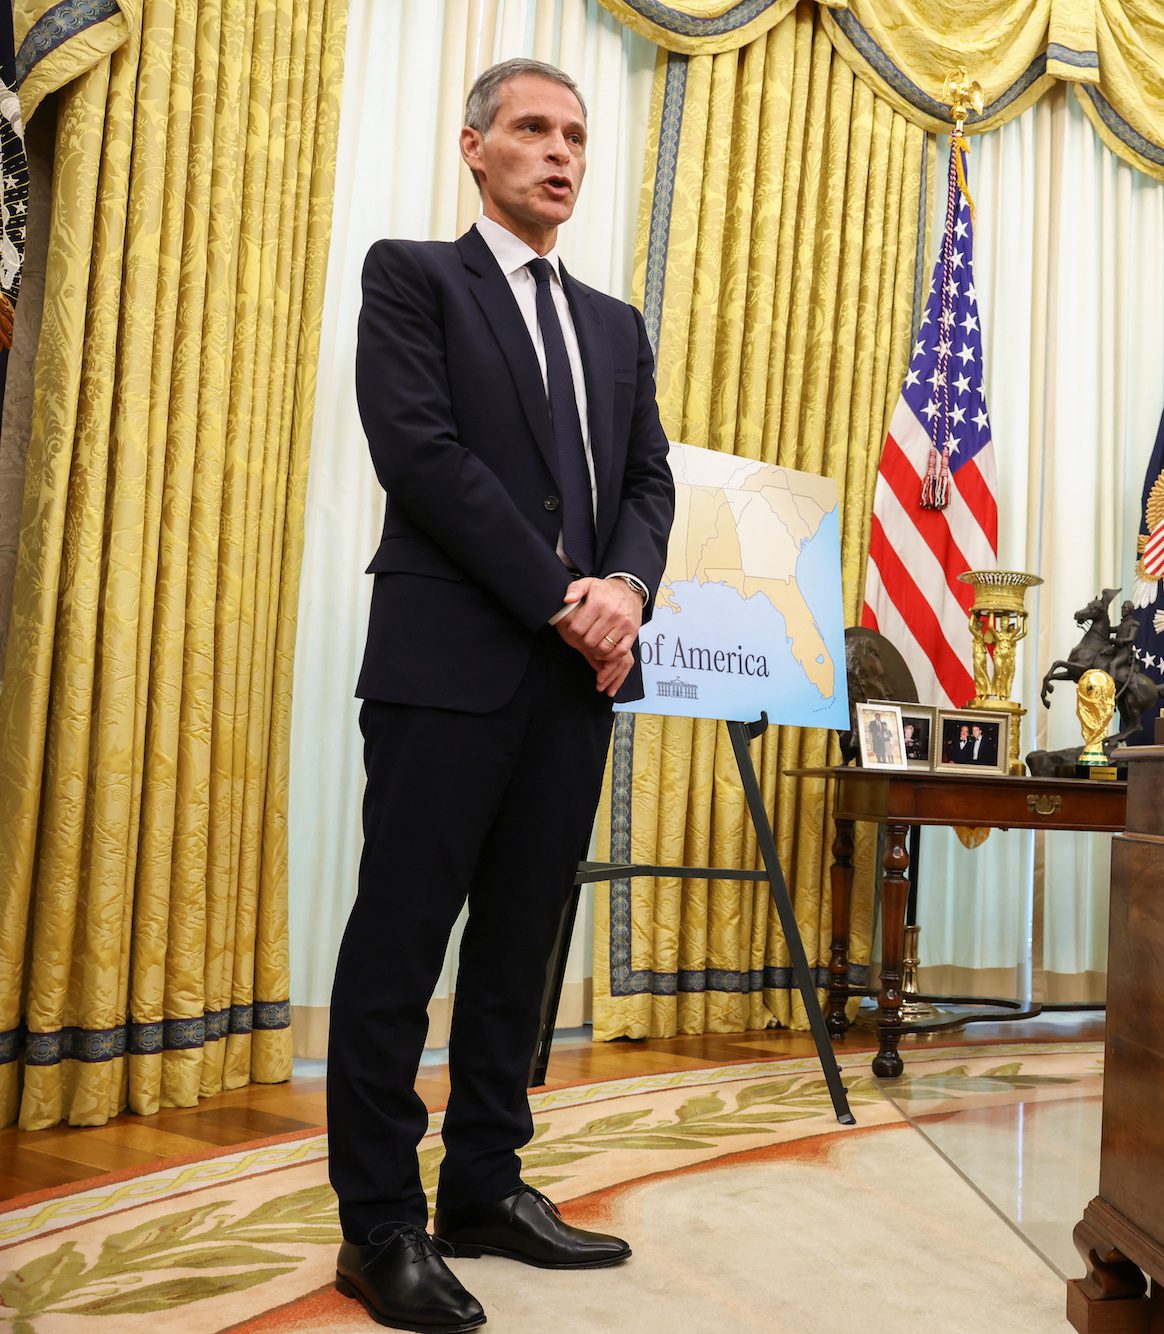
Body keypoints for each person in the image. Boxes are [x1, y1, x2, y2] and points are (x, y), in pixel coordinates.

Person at [325, 59, 676, 1332]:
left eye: (575, 135)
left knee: (521, 948)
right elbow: (423, 455)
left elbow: (648, 480)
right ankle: (379, 1224)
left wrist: (627, 588)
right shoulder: (410, 277)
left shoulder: (615, 326)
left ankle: (484, 1183)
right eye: (531, 129)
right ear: (473, 147)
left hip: (575, 684)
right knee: (399, 946)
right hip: (446, 668)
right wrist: (564, 594)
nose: (558, 152)